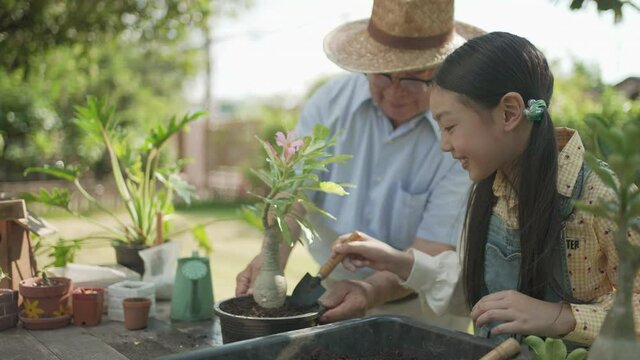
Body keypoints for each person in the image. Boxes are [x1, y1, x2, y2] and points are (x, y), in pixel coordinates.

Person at [331, 31, 640, 345]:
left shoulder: (599, 196)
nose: (444, 145)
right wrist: (400, 262)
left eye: (450, 126)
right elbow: (483, 298)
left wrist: (558, 315)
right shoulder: (492, 190)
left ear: (509, 112)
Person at [235, 0, 484, 331]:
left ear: (440, 70)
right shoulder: (330, 103)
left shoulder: (459, 130)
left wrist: (369, 289)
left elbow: (434, 250)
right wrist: (271, 260)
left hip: (423, 313)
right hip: (331, 293)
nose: (395, 92)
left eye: (413, 79)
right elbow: (295, 191)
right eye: (382, 75)